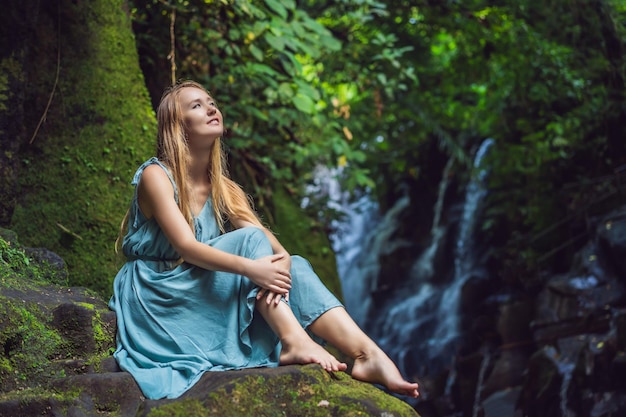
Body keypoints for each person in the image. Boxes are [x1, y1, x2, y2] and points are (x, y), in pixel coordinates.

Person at [109, 80, 419, 400]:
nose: (211, 108)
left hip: (195, 288)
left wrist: (282, 260)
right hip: (157, 293)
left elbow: (272, 246)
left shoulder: (223, 187)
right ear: (177, 126)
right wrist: (253, 270)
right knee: (252, 247)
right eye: (197, 105)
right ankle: (293, 339)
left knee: (296, 266)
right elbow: (187, 248)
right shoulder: (156, 176)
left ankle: (367, 354)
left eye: (211, 102)